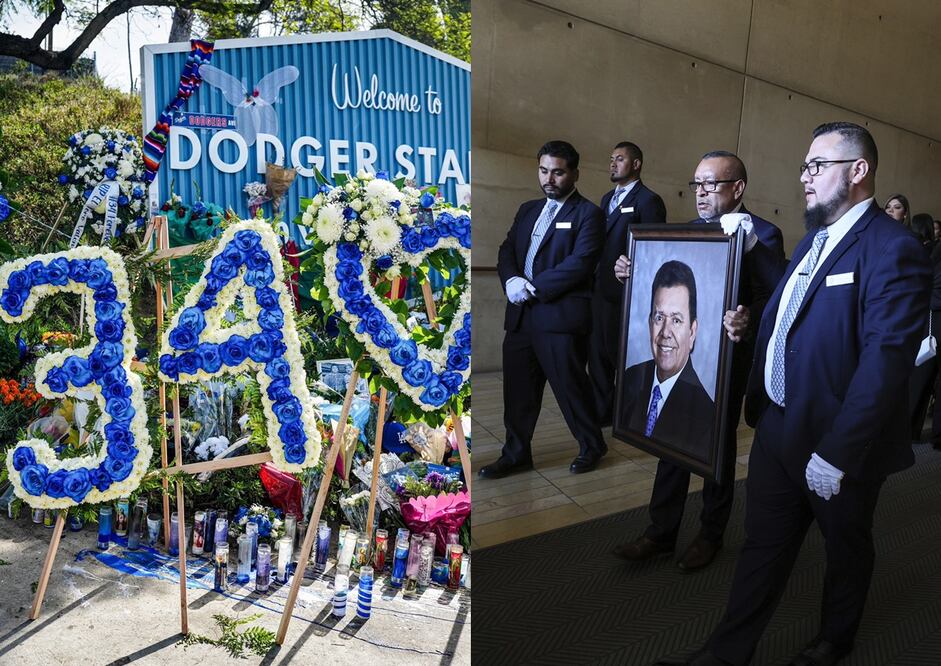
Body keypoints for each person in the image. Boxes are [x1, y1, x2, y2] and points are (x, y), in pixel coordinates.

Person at [668, 122, 930, 666]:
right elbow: (794, 308)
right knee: (763, 546)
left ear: (858, 172)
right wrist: (752, 321)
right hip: (778, 426)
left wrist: (838, 452)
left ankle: (834, 640)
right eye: (804, 166)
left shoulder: (893, 248)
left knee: (845, 546)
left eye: (818, 166)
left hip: (838, 444)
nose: (805, 178)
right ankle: (725, 653)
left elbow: (886, 359)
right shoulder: (814, 237)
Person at [613, 151, 785, 573]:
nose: (701, 193)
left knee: (716, 447)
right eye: (697, 185)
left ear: (738, 188)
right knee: (669, 441)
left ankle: (711, 532)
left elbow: (775, 296)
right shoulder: (688, 231)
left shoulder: (764, 233)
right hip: (680, 365)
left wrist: (748, 318)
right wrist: (629, 270)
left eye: (711, 184)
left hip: (726, 362)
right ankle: (661, 532)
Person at [479, 140, 608, 480]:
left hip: (559, 317)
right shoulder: (528, 209)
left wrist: (534, 287)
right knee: (518, 392)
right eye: (544, 170)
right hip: (521, 317)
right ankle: (517, 454)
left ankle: (592, 445)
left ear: (574, 173)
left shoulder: (588, 214)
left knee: (571, 389)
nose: (549, 178)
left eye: (558, 172)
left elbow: (581, 263)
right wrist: (510, 282)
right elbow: (507, 249)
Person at [590, 141, 667, 426]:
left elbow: (654, 250)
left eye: (619, 159)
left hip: (626, 294)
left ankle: (631, 414)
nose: (612, 163)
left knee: (621, 357)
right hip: (598, 290)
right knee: (596, 356)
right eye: (611, 159)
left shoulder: (649, 201)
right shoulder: (606, 198)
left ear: (636, 164)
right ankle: (602, 412)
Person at [619, 260, 715, 458]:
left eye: (677, 320)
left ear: (692, 332)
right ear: (649, 322)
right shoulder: (631, 377)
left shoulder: (706, 413)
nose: (665, 333)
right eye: (659, 317)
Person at [908, 213, 941, 444]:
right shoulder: (933, 249)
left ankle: (909, 432)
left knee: (922, 376)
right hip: (933, 317)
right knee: (923, 376)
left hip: (930, 316)